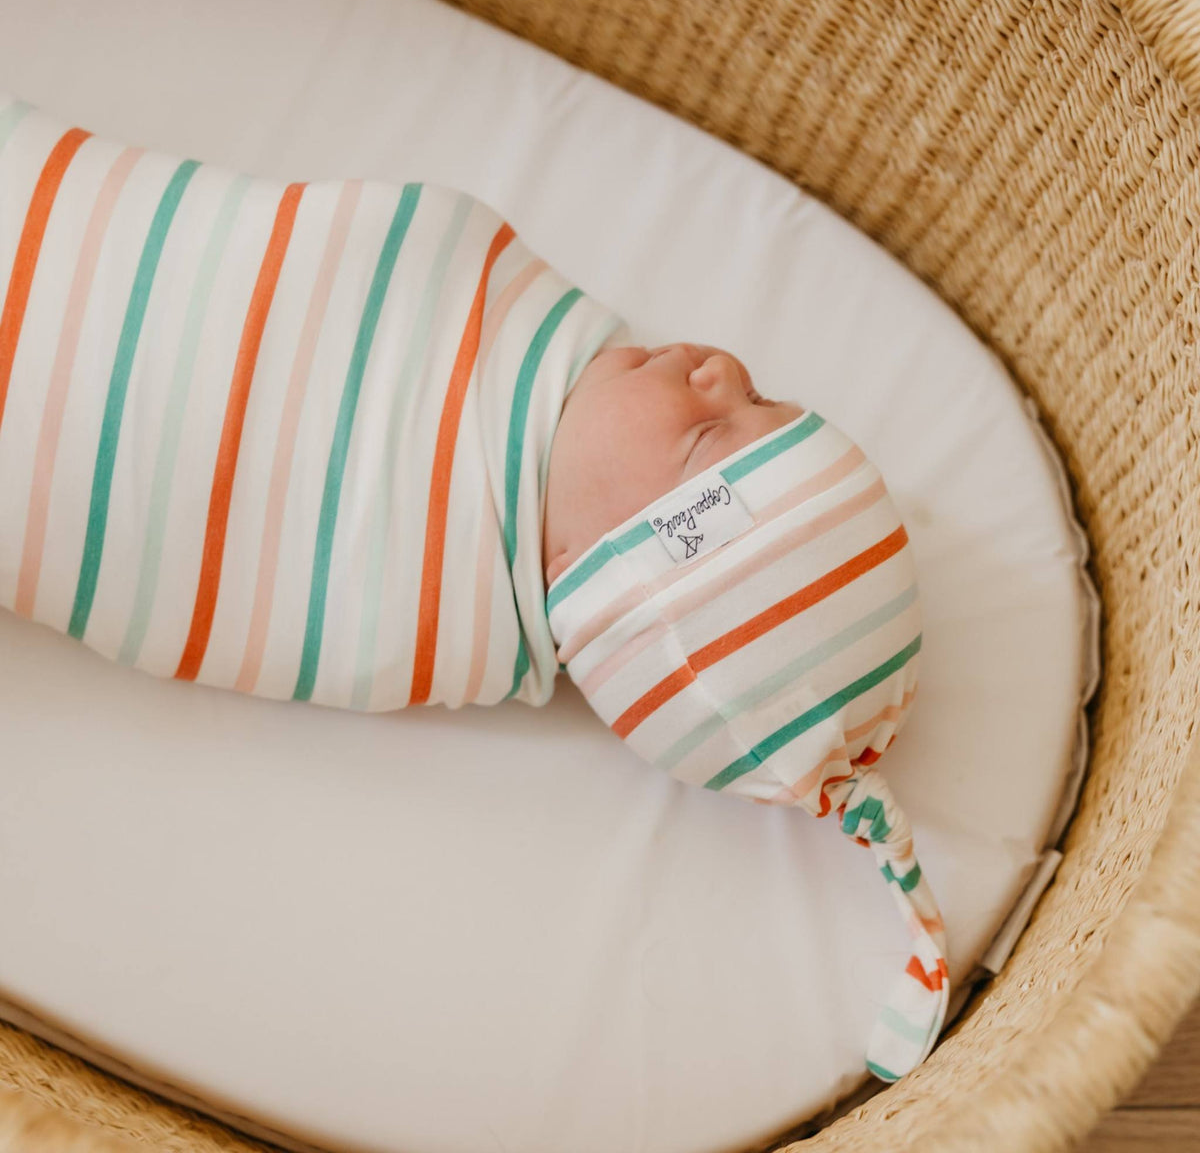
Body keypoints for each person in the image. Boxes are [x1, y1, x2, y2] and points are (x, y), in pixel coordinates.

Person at [0, 91, 948, 1081]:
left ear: (615, 588)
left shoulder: (417, 598)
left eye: (714, 431)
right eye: (763, 396)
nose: (722, 366)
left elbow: (191, 546)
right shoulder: (526, 355)